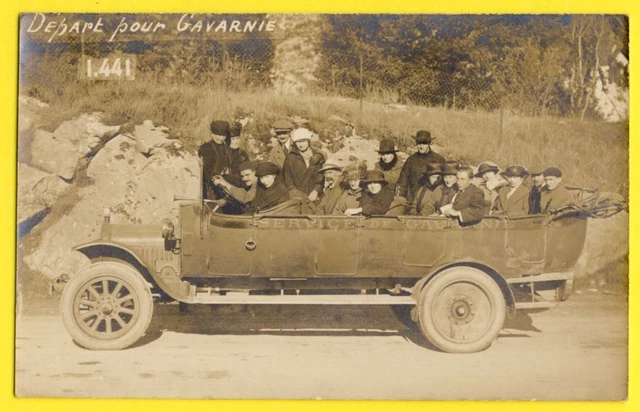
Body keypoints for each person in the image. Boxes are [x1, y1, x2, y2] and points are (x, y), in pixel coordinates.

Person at [396, 130, 445, 202]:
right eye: (419, 143)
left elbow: (443, 182)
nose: (421, 146)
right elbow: (402, 181)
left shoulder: (439, 159)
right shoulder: (411, 160)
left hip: (431, 199)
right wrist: (399, 198)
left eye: (424, 143)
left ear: (429, 143)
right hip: (412, 199)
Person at [282, 128, 326, 202]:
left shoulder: (316, 156)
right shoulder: (291, 157)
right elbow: (287, 180)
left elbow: (321, 177)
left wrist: (316, 191)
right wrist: (297, 194)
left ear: (308, 141)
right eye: (298, 142)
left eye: (303, 141)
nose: (301, 144)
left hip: (314, 196)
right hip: (297, 197)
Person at [198, 120, 233, 200]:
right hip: (212, 188)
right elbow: (206, 171)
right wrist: (218, 177)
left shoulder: (227, 148)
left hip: (228, 184)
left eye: (224, 135)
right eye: (219, 135)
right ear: (212, 134)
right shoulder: (206, 148)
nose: (222, 138)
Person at [225, 122, 250, 187]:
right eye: (232, 139)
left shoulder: (243, 154)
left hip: (240, 185)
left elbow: (247, 173)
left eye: (237, 138)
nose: (236, 142)